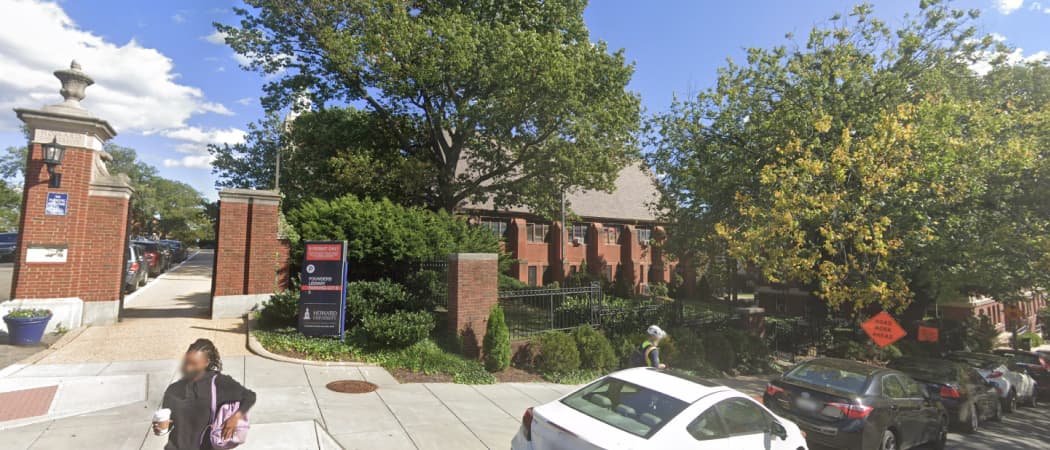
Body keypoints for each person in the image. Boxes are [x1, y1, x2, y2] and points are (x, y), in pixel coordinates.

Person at [153, 339, 256, 450]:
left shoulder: (219, 383)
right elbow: (170, 422)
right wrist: (161, 428)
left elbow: (249, 396)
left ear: (206, 362)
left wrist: (235, 417)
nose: (188, 368)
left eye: (194, 364)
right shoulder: (174, 389)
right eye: (187, 362)